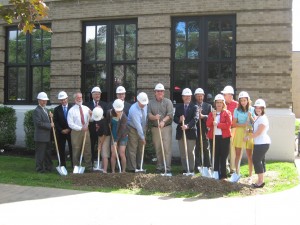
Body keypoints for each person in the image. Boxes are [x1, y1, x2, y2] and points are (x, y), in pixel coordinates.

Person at [148, 83, 173, 173]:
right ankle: (159, 167)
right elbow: (149, 114)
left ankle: (168, 168)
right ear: (155, 92)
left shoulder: (168, 102)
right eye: (158, 91)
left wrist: (163, 121)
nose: (160, 92)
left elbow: (170, 114)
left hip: (166, 128)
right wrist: (155, 117)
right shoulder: (151, 103)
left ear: (164, 92)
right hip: (155, 128)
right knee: (158, 148)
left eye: (161, 91)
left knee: (167, 148)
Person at [230, 91, 255, 183]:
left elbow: (254, 122)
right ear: (239, 101)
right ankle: (237, 173)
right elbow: (234, 123)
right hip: (240, 131)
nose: (243, 102)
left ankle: (250, 175)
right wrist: (243, 124)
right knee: (238, 154)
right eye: (241, 101)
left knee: (249, 155)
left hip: (249, 132)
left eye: (244, 100)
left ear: (248, 100)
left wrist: (251, 117)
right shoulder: (236, 110)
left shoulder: (252, 109)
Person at [246, 99, 271, 188]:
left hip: (263, 143)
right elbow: (255, 129)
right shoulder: (259, 117)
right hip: (259, 143)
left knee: (256, 160)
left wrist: (248, 137)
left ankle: (260, 182)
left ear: (263, 108)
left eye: (260, 107)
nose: (258, 109)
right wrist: (249, 130)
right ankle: (261, 180)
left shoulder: (263, 118)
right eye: (256, 107)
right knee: (260, 160)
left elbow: (258, 133)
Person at [206, 94, 232, 180]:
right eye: (217, 102)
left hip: (224, 138)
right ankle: (216, 174)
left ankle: (223, 175)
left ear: (223, 103)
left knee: (223, 156)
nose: (219, 104)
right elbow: (208, 124)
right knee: (215, 156)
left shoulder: (227, 113)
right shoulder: (211, 113)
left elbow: (228, 125)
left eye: (221, 102)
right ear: (215, 103)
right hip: (214, 138)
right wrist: (212, 118)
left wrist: (218, 124)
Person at [173, 88, 199, 174]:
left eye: (189, 96)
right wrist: (180, 120)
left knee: (190, 152)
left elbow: (195, 119)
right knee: (183, 152)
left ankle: (191, 169)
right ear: (183, 97)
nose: (187, 98)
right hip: (181, 133)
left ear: (191, 97)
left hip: (191, 133)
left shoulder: (195, 107)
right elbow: (175, 118)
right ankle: (185, 169)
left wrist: (187, 126)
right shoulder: (179, 107)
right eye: (185, 96)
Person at [67, 92, 93, 172]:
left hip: (86, 132)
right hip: (76, 132)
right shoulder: (71, 110)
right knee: (76, 149)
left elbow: (91, 120)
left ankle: (88, 167)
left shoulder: (86, 108)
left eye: (81, 97)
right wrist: (81, 128)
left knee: (87, 149)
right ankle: (76, 167)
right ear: (75, 99)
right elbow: (70, 124)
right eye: (78, 98)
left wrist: (91, 115)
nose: (80, 99)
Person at [85, 86, 108, 166]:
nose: (97, 95)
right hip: (92, 129)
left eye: (98, 94)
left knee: (101, 146)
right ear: (92, 95)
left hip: (101, 130)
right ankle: (90, 164)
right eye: (95, 94)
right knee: (91, 146)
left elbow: (107, 116)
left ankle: (101, 164)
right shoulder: (87, 105)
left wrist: (101, 110)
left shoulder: (104, 104)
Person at [126, 92, 148, 172]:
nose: (144, 105)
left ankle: (140, 166)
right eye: (142, 103)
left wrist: (144, 129)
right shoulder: (134, 109)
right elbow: (137, 125)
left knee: (141, 148)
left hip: (142, 128)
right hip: (133, 128)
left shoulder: (145, 106)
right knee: (133, 148)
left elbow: (145, 118)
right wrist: (142, 137)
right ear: (138, 101)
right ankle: (132, 168)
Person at [33, 92, 54, 173]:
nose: (44, 102)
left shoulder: (46, 109)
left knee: (48, 153)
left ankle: (48, 167)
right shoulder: (36, 111)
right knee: (40, 154)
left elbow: (46, 120)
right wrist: (50, 125)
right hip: (41, 137)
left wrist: (50, 117)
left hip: (47, 136)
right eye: (43, 100)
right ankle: (39, 169)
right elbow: (38, 123)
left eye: (45, 100)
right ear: (39, 100)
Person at [193, 88, 213, 171]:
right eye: (198, 96)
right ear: (195, 96)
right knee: (196, 148)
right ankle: (197, 166)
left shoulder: (208, 106)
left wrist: (203, 116)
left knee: (206, 147)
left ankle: (207, 166)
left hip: (205, 130)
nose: (200, 98)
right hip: (195, 129)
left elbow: (211, 117)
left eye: (201, 96)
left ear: (203, 96)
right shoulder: (193, 105)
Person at [107, 99, 128, 173]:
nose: (118, 112)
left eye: (120, 111)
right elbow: (108, 122)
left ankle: (123, 171)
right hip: (113, 134)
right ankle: (113, 171)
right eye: (117, 110)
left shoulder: (124, 117)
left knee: (122, 153)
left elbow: (121, 130)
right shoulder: (109, 113)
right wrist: (109, 124)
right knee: (114, 153)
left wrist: (116, 140)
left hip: (123, 136)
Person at [53, 91, 73, 168]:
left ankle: (73, 164)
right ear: (59, 100)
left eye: (64, 99)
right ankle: (62, 165)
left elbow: (74, 119)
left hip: (70, 132)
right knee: (61, 149)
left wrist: (69, 129)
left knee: (72, 149)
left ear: (67, 98)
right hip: (60, 133)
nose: (63, 101)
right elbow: (55, 121)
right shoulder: (56, 109)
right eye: (61, 100)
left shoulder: (72, 107)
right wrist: (61, 130)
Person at [221, 85, 238, 173]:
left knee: (232, 149)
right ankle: (225, 167)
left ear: (230, 95)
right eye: (224, 95)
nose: (224, 96)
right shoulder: (222, 104)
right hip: (223, 129)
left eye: (225, 95)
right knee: (224, 148)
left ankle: (233, 169)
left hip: (233, 129)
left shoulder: (236, 105)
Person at [92, 107, 109, 172]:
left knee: (104, 153)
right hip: (100, 136)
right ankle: (101, 167)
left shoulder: (104, 122)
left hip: (106, 137)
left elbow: (105, 134)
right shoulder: (97, 117)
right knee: (101, 152)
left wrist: (100, 144)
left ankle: (105, 170)